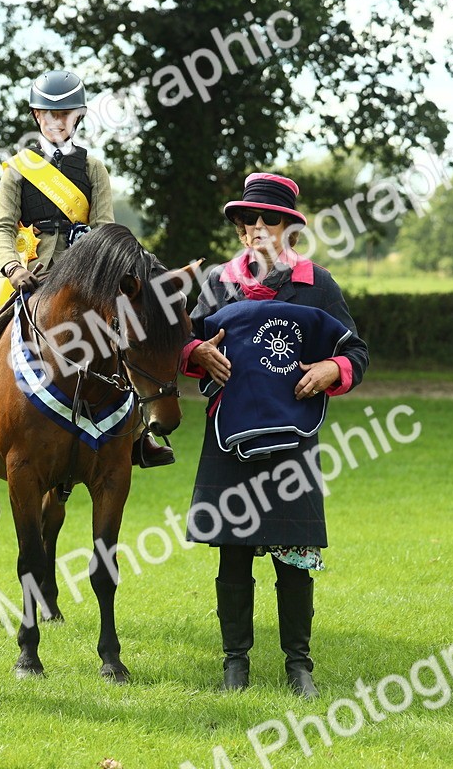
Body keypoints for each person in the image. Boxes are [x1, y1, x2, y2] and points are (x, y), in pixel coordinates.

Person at [182, 172, 369, 699]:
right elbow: (183, 344)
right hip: (230, 436)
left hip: (292, 438)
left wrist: (333, 370)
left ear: (290, 228)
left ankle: (299, 666)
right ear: (241, 231)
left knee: (295, 556)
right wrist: (195, 355)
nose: (259, 229)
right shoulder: (216, 282)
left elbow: (356, 352)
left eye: (271, 221)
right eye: (250, 221)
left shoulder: (318, 285)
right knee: (234, 551)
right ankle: (234, 664)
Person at [0, 68, 172, 467]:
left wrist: (92, 251)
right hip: (27, 274)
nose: (57, 121)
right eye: (49, 114)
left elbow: (108, 229)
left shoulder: (93, 169)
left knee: (128, 334)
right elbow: (2, 227)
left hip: (84, 282)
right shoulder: (18, 169)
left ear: (80, 116)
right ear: (37, 116)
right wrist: (11, 269)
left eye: (66, 114)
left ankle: (140, 436)